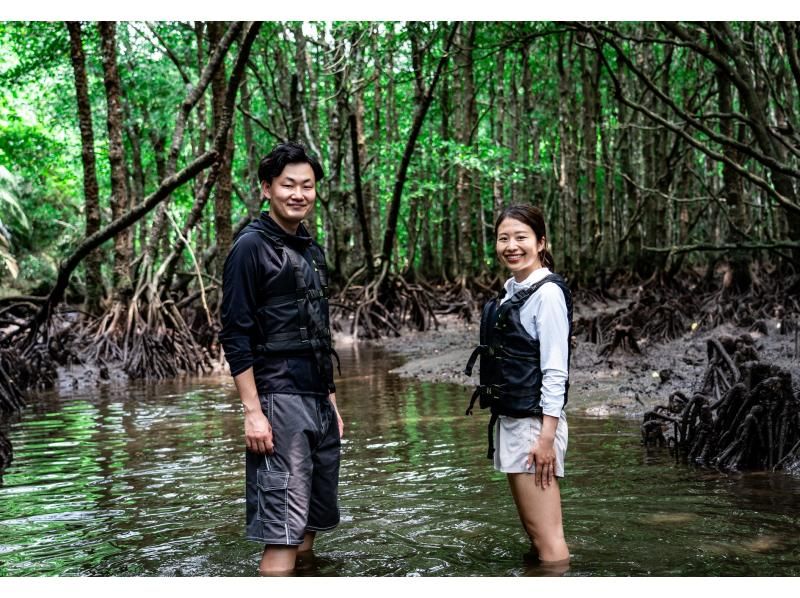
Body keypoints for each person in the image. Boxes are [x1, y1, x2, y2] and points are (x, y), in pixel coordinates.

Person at [219, 142, 343, 574]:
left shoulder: (310, 249)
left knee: (309, 525)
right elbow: (235, 333)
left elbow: (317, 330)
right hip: (277, 398)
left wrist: (330, 400)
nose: (298, 194)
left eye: (307, 186)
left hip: (316, 400)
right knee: (282, 533)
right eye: (288, 184)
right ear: (267, 188)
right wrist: (253, 412)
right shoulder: (249, 248)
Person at [465, 204, 572, 565]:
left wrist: (546, 439)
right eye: (503, 238)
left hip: (534, 428)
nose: (511, 245)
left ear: (541, 242)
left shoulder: (547, 294)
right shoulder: (514, 290)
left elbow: (556, 371)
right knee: (535, 533)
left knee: (549, 542)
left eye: (521, 237)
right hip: (514, 423)